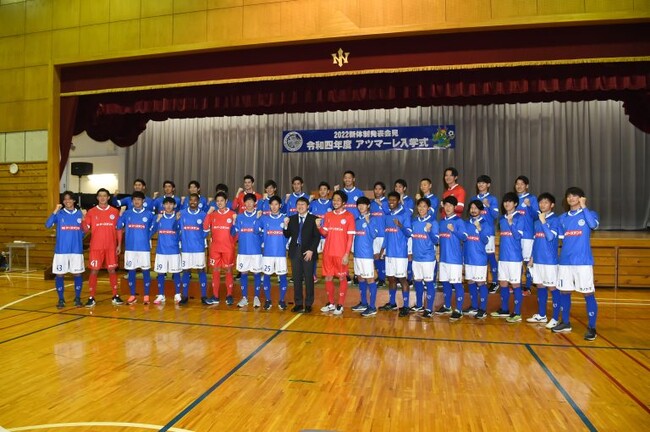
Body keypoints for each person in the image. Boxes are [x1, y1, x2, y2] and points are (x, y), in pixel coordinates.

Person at [552, 187, 599, 341]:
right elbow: (560, 239)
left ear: (581, 198)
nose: (571, 198)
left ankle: (592, 327)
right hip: (565, 261)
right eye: (569, 196)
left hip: (583, 261)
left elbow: (593, 225)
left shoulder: (590, 214)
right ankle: (565, 322)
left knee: (588, 293)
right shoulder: (562, 218)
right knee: (564, 292)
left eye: (574, 196)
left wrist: (584, 206)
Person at [83, 188, 123, 307]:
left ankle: (115, 295)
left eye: (104, 195)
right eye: (100, 196)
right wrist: (84, 218)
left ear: (108, 197)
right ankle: (91, 297)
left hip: (111, 246)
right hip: (96, 247)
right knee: (94, 270)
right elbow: (85, 229)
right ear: (97, 198)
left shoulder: (114, 211)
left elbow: (119, 229)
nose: (102, 198)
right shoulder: (91, 212)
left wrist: (119, 245)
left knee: (112, 270)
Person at [318, 190, 356, 315]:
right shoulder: (328, 215)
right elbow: (325, 233)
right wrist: (318, 227)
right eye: (334, 199)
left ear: (344, 202)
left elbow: (350, 238)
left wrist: (346, 254)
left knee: (342, 277)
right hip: (328, 252)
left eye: (338, 200)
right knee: (328, 277)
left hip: (341, 254)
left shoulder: (349, 216)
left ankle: (340, 305)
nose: (335, 202)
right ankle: (331, 303)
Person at [45, 191, 85, 308]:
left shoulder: (80, 214)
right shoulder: (59, 214)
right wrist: (55, 210)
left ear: (74, 200)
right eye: (65, 199)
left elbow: (85, 231)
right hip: (61, 251)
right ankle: (61, 299)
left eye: (70, 199)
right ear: (63, 201)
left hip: (76, 250)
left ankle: (77, 298)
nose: (67, 201)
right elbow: (47, 225)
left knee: (77, 274)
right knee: (59, 275)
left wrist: (84, 218)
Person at [527, 193, 561, 327]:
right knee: (540, 286)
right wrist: (532, 257)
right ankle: (542, 315)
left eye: (546, 202)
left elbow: (550, 237)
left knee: (553, 287)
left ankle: (555, 318)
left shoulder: (555, 220)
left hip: (550, 260)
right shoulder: (536, 221)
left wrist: (543, 221)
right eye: (541, 202)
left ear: (552, 205)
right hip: (538, 260)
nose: (542, 205)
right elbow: (536, 240)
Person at [491, 192, 526, 322]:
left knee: (515, 284)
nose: (507, 204)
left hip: (514, 258)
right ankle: (504, 309)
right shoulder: (501, 219)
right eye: (505, 201)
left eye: (510, 201)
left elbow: (517, 236)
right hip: (503, 257)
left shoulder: (520, 217)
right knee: (503, 283)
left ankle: (517, 313)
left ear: (515, 203)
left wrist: (511, 223)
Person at [117, 191, 155, 305]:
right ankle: (132, 295)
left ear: (143, 201)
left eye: (139, 199)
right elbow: (118, 226)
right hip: (130, 248)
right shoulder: (127, 213)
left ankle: (146, 296)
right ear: (132, 201)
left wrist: (146, 237)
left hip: (144, 248)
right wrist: (120, 214)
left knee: (146, 271)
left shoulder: (149, 214)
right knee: (131, 271)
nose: (137, 201)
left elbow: (154, 228)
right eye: (134, 200)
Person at [284, 197, 320, 313]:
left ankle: (308, 304)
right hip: (295, 251)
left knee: (309, 278)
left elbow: (317, 237)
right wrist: (285, 225)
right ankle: (298, 303)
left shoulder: (313, 219)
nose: (300, 206)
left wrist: (311, 250)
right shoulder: (292, 219)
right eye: (298, 204)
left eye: (303, 204)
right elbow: (287, 234)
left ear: (308, 206)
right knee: (297, 279)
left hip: (308, 252)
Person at [379, 191, 412, 317]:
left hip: (400, 254)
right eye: (390, 200)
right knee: (391, 278)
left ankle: (406, 306)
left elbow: (409, 233)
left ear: (398, 201)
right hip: (389, 253)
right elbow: (386, 234)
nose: (391, 202)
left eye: (394, 200)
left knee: (402, 279)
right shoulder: (387, 216)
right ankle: (392, 303)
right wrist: (382, 249)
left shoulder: (405, 214)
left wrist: (400, 225)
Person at [436, 196, 466, 321]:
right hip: (444, 258)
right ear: (443, 206)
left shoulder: (459, 221)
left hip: (455, 259)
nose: (448, 208)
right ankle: (447, 306)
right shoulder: (441, 222)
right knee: (445, 283)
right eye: (446, 205)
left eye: (450, 205)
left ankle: (458, 309)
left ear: (455, 207)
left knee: (457, 283)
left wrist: (454, 230)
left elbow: (464, 237)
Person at [203, 192, 237, 305]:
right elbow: (205, 227)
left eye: (221, 200)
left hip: (228, 248)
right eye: (217, 201)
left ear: (226, 201)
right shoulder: (212, 214)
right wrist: (208, 213)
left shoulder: (232, 214)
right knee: (216, 271)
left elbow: (237, 232)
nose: (219, 203)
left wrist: (231, 242)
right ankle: (215, 296)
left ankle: (229, 295)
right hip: (215, 248)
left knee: (228, 270)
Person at [178, 193, 210, 305]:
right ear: (188, 201)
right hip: (186, 248)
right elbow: (176, 228)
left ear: (198, 202)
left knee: (201, 270)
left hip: (198, 248)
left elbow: (206, 232)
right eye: (191, 200)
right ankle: (184, 296)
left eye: (195, 200)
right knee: (186, 271)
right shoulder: (181, 213)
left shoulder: (203, 215)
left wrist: (198, 239)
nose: (192, 202)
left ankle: (204, 296)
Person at [350, 197, 380, 316]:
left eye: (363, 204)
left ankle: (372, 307)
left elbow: (374, 235)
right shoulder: (357, 220)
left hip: (366, 255)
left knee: (370, 279)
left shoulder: (373, 219)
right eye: (359, 205)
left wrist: (368, 222)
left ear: (368, 206)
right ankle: (363, 303)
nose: (361, 206)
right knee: (360, 278)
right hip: (357, 255)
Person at [233, 193, 264, 308]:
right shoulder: (239, 217)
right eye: (247, 201)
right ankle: (244, 298)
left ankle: (256, 297)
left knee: (257, 273)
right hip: (243, 251)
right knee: (244, 273)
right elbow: (233, 233)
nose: (249, 203)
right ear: (244, 203)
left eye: (251, 201)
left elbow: (263, 233)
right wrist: (233, 222)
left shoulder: (260, 216)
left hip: (256, 251)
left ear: (255, 203)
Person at [259, 196, 289, 310]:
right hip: (268, 253)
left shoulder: (285, 218)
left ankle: (281, 300)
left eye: (276, 204)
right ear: (269, 206)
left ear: (280, 205)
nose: (274, 206)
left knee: (283, 276)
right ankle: (268, 300)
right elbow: (256, 231)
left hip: (281, 253)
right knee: (266, 275)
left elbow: (289, 235)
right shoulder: (264, 219)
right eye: (272, 204)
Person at [411, 198, 439, 318]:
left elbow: (436, 240)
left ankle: (429, 308)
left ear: (429, 208)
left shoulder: (433, 222)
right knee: (417, 281)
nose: (421, 208)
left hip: (428, 258)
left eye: (424, 206)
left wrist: (429, 231)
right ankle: (419, 304)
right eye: (420, 206)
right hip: (416, 258)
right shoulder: (414, 221)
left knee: (429, 282)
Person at [151, 197, 182, 304]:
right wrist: (157, 221)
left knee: (176, 273)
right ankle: (161, 295)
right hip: (161, 251)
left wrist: (177, 220)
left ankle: (177, 294)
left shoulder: (178, 217)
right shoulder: (158, 217)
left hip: (174, 251)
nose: (168, 206)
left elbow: (179, 232)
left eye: (170, 204)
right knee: (160, 273)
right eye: (166, 204)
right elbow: (152, 231)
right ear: (163, 205)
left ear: (174, 205)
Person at [463, 200, 490, 319]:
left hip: (479, 259)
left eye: (476, 208)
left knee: (480, 283)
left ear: (480, 210)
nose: (473, 210)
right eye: (471, 208)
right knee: (470, 282)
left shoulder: (485, 223)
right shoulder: (466, 223)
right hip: (468, 258)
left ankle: (483, 309)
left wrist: (480, 229)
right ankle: (474, 306)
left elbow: (485, 240)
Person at [474, 175, 499, 292]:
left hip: (488, 232)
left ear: (488, 185)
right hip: (476, 233)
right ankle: (480, 281)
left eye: (483, 183)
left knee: (490, 256)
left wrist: (488, 205)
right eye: (479, 183)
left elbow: (495, 215)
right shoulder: (474, 199)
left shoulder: (492, 199)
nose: (480, 185)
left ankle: (495, 282)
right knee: (478, 256)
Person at [514, 175, 539, 293]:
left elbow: (536, 216)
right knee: (516, 261)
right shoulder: (513, 199)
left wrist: (529, 206)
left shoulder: (532, 198)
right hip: (515, 235)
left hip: (527, 235)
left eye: (522, 184)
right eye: (517, 184)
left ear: (526, 186)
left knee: (527, 262)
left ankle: (528, 286)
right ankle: (517, 285)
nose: (519, 186)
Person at [308, 181, 333, 282]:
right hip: (315, 234)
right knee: (313, 255)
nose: (322, 191)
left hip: (328, 234)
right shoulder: (313, 203)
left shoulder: (332, 203)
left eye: (325, 189)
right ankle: (313, 274)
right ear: (318, 191)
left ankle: (329, 274)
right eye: (321, 189)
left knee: (329, 256)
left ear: (328, 191)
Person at [370, 181, 389, 286]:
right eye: (376, 189)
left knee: (382, 256)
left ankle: (383, 279)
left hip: (384, 234)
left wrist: (381, 204)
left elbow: (390, 214)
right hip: (374, 235)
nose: (377, 191)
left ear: (384, 191)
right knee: (376, 256)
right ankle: (380, 278)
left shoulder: (387, 202)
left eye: (380, 189)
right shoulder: (372, 203)